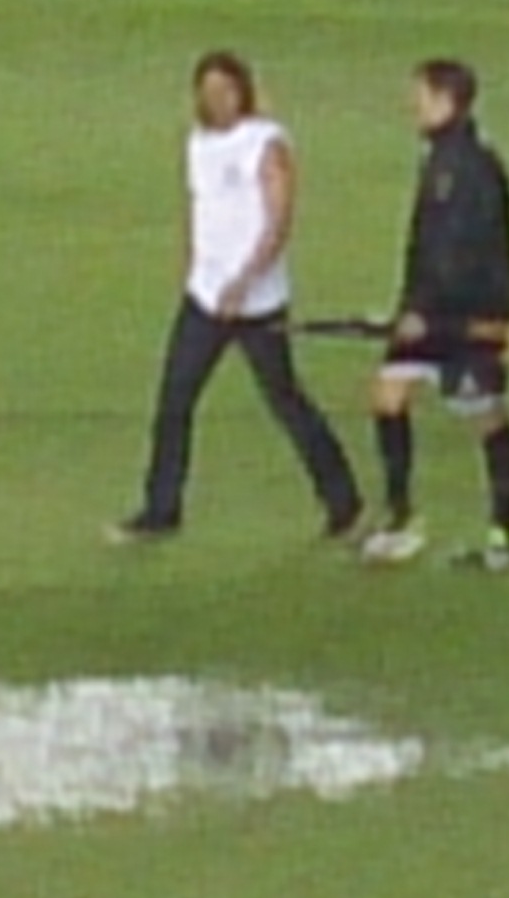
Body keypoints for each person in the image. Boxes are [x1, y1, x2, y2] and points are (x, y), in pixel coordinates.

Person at [118, 51, 367, 545]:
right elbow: (199, 209)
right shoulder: (198, 144)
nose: (217, 100)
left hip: (255, 302)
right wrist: (193, 267)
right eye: (208, 91)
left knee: (286, 400)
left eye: (226, 90)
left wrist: (246, 279)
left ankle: (343, 502)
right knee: (175, 399)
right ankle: (161, 509)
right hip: (205, 296)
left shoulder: (265, 143)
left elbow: (279, 219)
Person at [357, 59, 509, 572]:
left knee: (486, 417)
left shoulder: (464, 169)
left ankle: (501, 536)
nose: (413, 104)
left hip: (463, 320)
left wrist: (430, 317)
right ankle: (402, 519)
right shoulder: (447, 159)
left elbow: (461, 255)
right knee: (388, 395)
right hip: (433, 315)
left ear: (448, 101)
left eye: (422, 96)